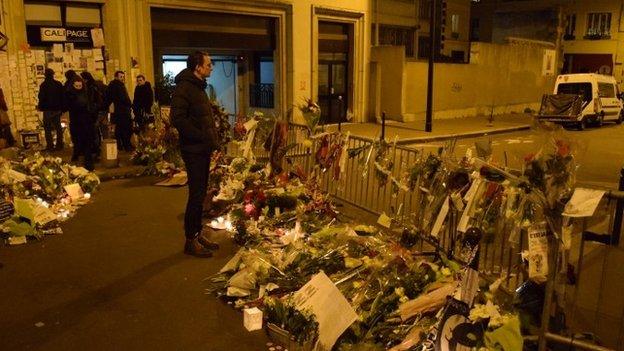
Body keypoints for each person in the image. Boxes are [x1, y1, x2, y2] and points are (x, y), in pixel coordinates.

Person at [171, 51, 221, 258]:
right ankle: (190, 240)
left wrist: (212, 140)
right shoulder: (185, 88)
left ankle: (197, 234)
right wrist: (201, 136)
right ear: (197, 67)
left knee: (200, 194)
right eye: (208, 64)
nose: (211, 67)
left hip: (202, 148)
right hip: (194, 149)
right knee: (196, 195)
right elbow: (178, 119)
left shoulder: (199, 87)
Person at [65, 77, 97, 171]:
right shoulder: (70, 95)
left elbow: (91, 105)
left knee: (87, 145)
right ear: (73, 86)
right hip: (77, 123)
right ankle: (81, 166)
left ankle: (88, 166)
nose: (79, 87)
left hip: (86, 123)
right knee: (79, 145)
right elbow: (70, 107)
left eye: (80, 85)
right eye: (77, 86)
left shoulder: (86, 94)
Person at [104, 71, 133, 151]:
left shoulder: (113, 85)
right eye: (121, 76)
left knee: (119, 128)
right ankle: (126, 145)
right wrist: (129, 104)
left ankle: (120, 145)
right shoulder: (118, 85)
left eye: (123, 77)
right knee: (125, 128)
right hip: (122, 110)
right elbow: (123, 98)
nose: (122, 78)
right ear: (116, 77)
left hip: (118, 110)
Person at [38, 68, 65, 151]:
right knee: (58, 127)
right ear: (53, 74)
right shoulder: (58, 84)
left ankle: (50, 145)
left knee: (47, 128)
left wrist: (41, 106)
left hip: (47, 109)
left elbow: (41, 97)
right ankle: (59, 145)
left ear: (45, 75)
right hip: (57, 109)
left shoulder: (43, 85)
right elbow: (62, 96)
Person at [80, 72, 104, 161]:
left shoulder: (91, 87)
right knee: (94, 132)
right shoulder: (92, 86)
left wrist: (92, 109)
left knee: (94, 132)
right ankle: (96, 151)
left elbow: (95, 100)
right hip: (93, 112)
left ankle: (96, 151)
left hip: (93, 113)